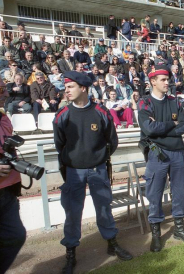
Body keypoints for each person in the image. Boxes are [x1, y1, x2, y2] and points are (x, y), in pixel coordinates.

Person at [53, 71, 132, 274]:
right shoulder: (63, 114)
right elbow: (59, 143)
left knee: (104, 209)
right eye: (65, 86)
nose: (66, 90)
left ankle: (111, 243)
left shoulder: (101, 112)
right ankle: (71, 252)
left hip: (98, 170)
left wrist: (98, 158)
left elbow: (112, 141)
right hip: (73, 172)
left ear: (83, 88)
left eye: (70, 87)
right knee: (72, 213)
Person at [138, 65, 184, 253]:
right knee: (154, 193)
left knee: (179, 191)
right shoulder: (145, 102)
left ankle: (179, 228)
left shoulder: (176, 102)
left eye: (167, 79)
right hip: (157, 153)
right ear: (153, 81)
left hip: (177, 152)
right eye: (162, 79)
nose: (167, 82)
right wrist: (172, 124)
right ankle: (156, 233)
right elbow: (148, 129)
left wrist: (162, 129)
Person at [0, 113, 27, 274]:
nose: (5, 93)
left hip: (8, 192)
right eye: (1, 90)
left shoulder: (3, 118)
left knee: (15, 236)